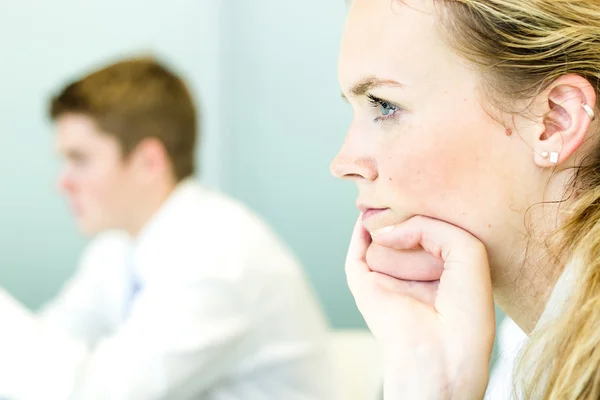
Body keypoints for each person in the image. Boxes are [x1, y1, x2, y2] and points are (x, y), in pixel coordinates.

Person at [0, 57, 332, 400]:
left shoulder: (218, 255)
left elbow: (96, 393)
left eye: (80, 160)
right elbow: (51, 346)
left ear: (148, 162)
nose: (63, 183)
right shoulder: (117, 247)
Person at [331, 0, 600, 398]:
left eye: (385, 106)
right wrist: (430, 374)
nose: (343, 164)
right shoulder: (524, 346)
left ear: (554, 121)